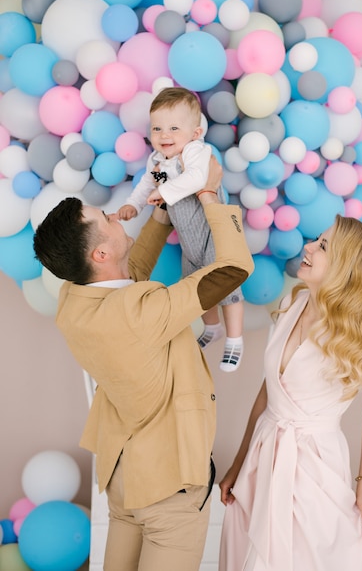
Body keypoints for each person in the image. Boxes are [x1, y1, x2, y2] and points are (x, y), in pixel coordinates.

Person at [33, 157, 254, 571]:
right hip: (169, 488)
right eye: (108, 219)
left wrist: (163, 215)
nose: (117, 217)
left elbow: (123, 275)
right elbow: (233, 270)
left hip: (124, 478)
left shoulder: (73, 301)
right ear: (100, 251)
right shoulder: (140, 311)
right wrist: (209, 194)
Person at [218, 214, 362, 571]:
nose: (307, 247)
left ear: (346, 266)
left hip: (315, 466)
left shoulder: (357, 333)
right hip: (264, 455)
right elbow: (268, 393)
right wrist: (239, 461)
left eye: (323, 246)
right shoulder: (294, 305)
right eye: (317, 240)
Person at [117, 86, 245, 372]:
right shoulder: (160, 162)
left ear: (195, 133)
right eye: (158, 128)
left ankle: (235, 339)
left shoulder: (195, 153)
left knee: (225, 284)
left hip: (213, 231)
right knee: (198, 284)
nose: (164, 135)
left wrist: (166, 193)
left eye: (174, 128)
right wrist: (133, 205)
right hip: (189, 236)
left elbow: (198, 179)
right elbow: (148, 185)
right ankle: (212, 328)